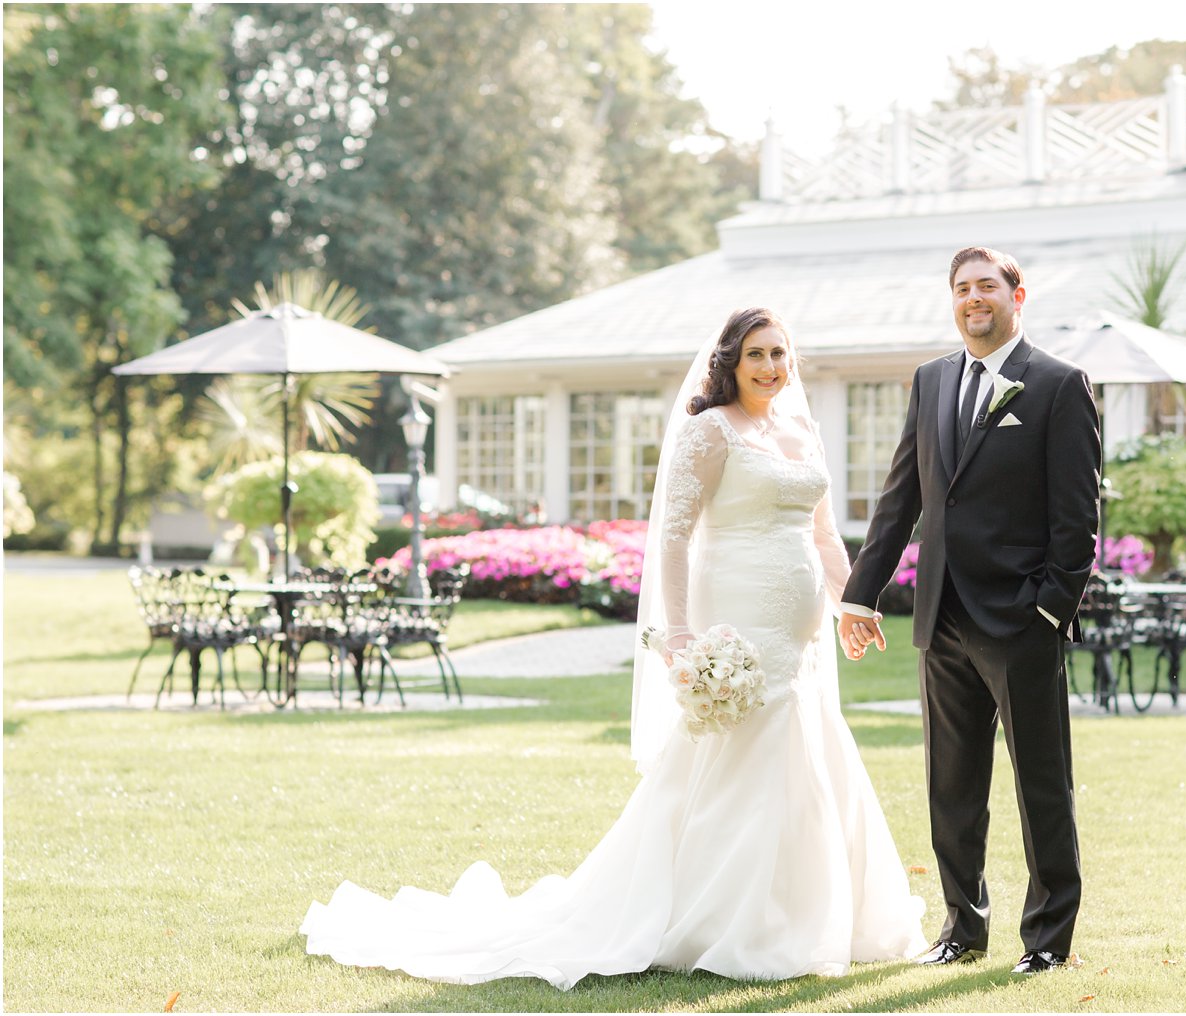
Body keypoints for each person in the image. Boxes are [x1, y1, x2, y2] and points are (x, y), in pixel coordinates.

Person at [301, 307, 927, 989]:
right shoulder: (710, 429)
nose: (772, 366)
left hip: (799, 633)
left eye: (781, 353)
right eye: (757, 354)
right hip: (736, 620)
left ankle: (813, 913)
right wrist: (683, 636)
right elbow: (675, 537)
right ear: (731, 361)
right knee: (734, 756)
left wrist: (851, 604)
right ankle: (723, 918)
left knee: (809, 752)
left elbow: (825, 536)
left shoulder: (802, 429)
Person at [836, 247, 1100, 976]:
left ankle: (1047, 941)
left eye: (987, 285)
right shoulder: (931, 380)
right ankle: (962, 927)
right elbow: (902, 500)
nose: (973, 298)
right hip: (941, 619)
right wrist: (860, 592)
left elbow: (1078, 522)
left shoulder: (1057, 385)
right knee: (951, 787)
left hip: (1020, 624)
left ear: (1019, 295)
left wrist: (1048, 612)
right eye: (961, 288)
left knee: (1041, 785)